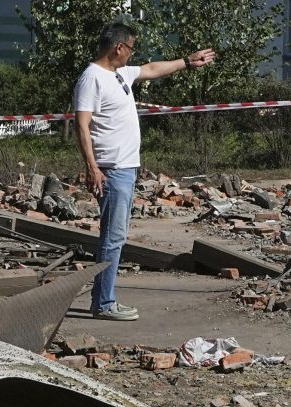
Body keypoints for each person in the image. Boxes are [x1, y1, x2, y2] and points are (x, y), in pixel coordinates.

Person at [73, 23, 215, 321]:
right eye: (132, 48)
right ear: (119, 48)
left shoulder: (120, 75)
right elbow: (82, 125)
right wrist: (92, 167)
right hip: (111, 171)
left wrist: (187, 62)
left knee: (116, 237)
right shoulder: (92, 78)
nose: (133, 54)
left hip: (125, 169)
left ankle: (104, 300)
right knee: (112, 239)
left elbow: (151, 69)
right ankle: (103, 304)